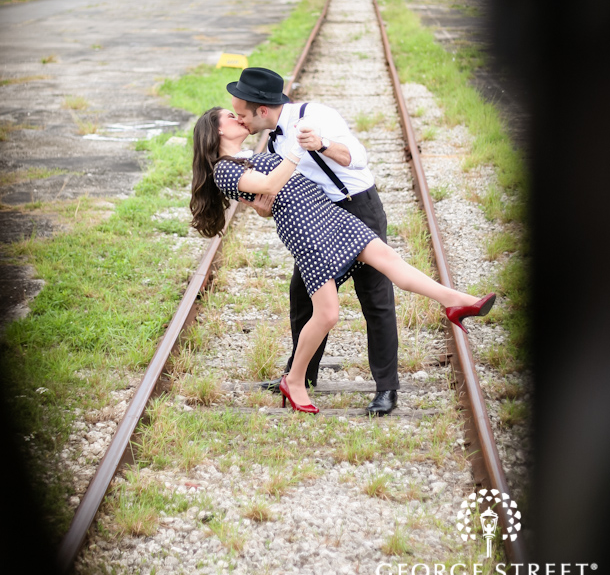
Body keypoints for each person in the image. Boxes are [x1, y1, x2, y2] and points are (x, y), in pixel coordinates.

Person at [190, 105, 495, 415]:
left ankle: (457, 302)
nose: (237, 116)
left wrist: (266, 201)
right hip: (307, 231)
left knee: (390, 261)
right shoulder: (223, 169)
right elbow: (269, 186)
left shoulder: (248, 157)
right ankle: (294, 380)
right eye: (230, 116)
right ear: (217, 131)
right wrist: (296, 151)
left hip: (331, 216)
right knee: (327, 314)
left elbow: (269, 195)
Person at [228, 66, 401, 416]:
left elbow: (358, 158)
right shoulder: (273, 138)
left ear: (262, 110)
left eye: (242, 115)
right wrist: (264, 208)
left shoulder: (315, 116)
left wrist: (321, 145)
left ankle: (387, 388)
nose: (240, 121)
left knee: (375, 298)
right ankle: (301, 376)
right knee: (301, 295)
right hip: (321, 220)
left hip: (358, 209)